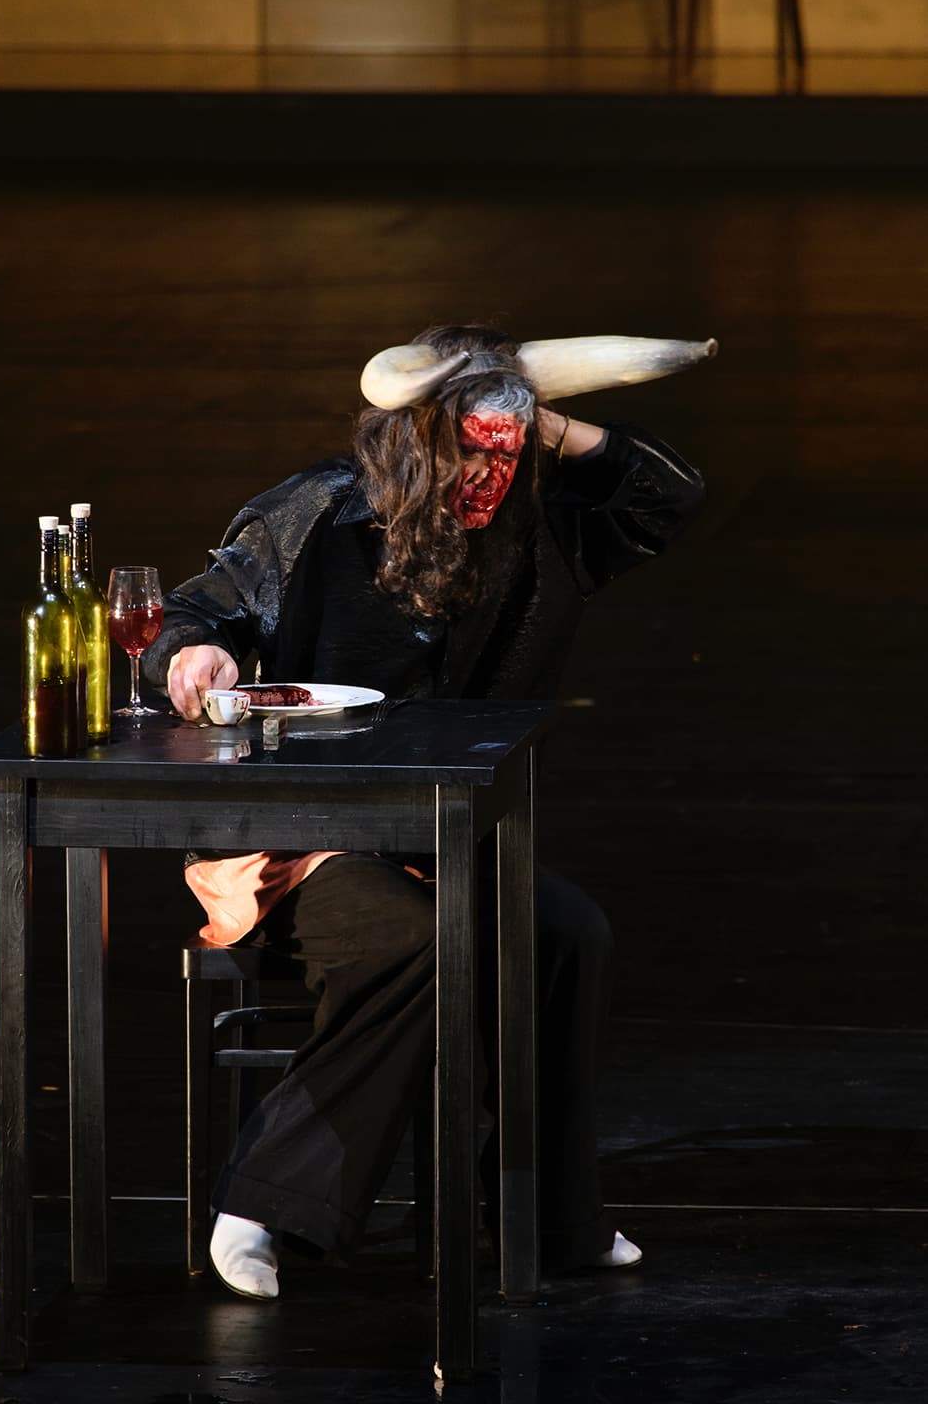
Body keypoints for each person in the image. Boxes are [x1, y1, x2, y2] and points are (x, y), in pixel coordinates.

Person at [141, 322, 711, 1301]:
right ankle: (266, 1201)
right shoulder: (319, 511)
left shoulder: (548, 528)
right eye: (471, 451)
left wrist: (539, 418)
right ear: (414, 440)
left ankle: (546, 1218)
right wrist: (191, 655)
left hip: (445, 838)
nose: (489, 478)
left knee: (567, 933)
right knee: (413, 936)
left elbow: (671, 495)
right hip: (300, 847)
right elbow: (194, 613)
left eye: (507, 453)